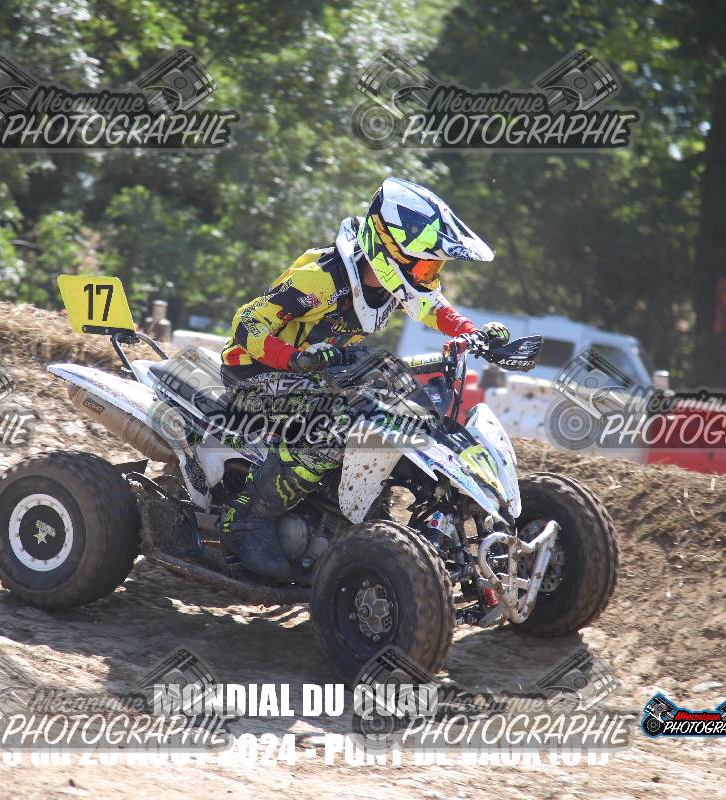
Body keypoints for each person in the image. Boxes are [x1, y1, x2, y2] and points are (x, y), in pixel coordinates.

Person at [218, 177, 510, 579]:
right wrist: (295, 358)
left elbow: (431, 307)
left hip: (319, 380)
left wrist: (469, 332)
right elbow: (246, 324)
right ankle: (248, 518)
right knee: (338, 424)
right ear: (388, 250)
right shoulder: (322, 280)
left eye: (434, 267)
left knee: (401, 411)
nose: (429, 275)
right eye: (425, 265)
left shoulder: (391, 284)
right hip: (254, 377)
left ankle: (361, 510)